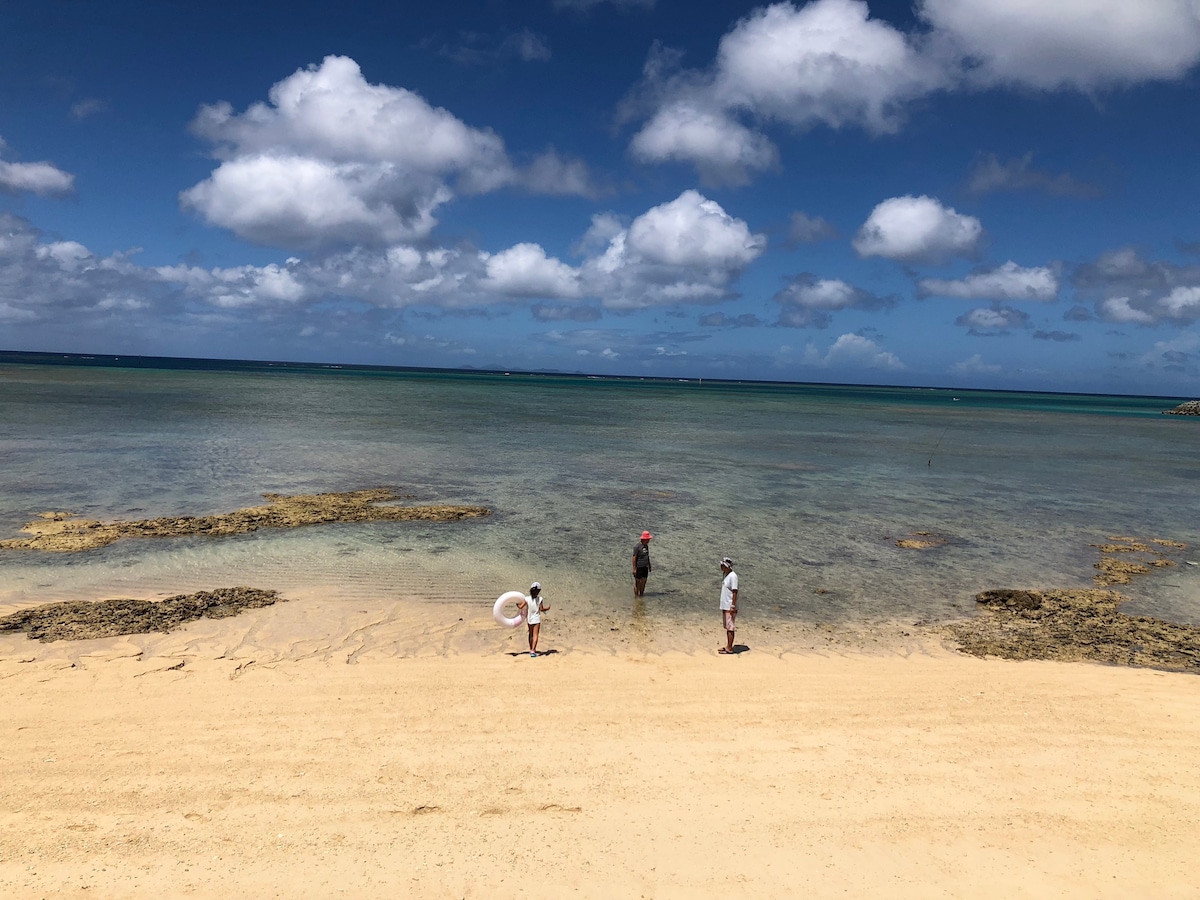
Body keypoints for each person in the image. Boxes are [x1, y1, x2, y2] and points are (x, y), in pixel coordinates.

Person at [517, 582, 549, 658]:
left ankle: (531, 649)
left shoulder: (527, 599)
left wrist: (517, 604)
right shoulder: (540, 599)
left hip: (529, 618)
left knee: (530, 634)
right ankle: (533, 650)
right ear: (538, 591)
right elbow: (541, 609)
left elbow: (520, 607)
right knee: (535, 635)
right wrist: (547, 608)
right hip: (536, 619)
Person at [718, 557, 738, 655]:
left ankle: (729, 648)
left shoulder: (733, 576)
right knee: (727, 627)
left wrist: (733, 606)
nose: (721, 566)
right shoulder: (726, 575)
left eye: (722, 565)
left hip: (729, 606)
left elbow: (735, 591)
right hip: (725, 605)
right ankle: (728, 646)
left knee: (730, 627)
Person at [632, 530, 653, 598]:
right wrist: (634, 568)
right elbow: (634, 557)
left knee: (644, 582)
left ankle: (641, 595)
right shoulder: (637, 547)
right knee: (637, 583)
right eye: (648, 539)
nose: (648, 541)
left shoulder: (646, 546)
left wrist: (649, 565)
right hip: (639, 567)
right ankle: (636, 596)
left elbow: (647, 556)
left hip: (645, 567)